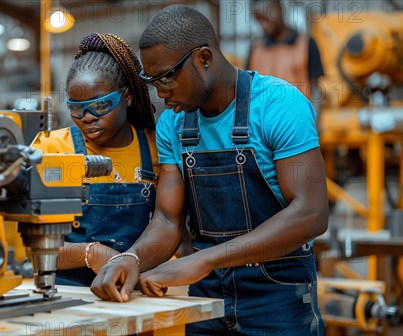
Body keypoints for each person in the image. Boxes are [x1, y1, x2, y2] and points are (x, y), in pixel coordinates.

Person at [91, 5, 328, 336]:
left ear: (203, 57)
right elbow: (167, 221)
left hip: (277, 295)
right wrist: (130, 258)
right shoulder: (173, 123)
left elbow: (310, 214)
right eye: (152, 82)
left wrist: (204, 260)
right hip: (207, 298)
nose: (161, 93)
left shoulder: (279, 105)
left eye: (167, 78)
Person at [31, 33, 159, 287]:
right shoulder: (53, 147)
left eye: (100, 105)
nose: (87, 117)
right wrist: (91, 253)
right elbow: (36, 247)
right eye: (77, 109)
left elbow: (170, 226)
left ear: (127, 97)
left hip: (138, 288)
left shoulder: (155, 146)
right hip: (71, 295)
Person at [247, 0, 324, 103]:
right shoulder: (255, 50)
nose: (263, 25)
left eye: (266, 18)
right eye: (259, 20)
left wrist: (313, 118)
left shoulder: (306, 45)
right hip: (264, 118)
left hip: (297, 117)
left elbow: (316, 91)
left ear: (280, 10)